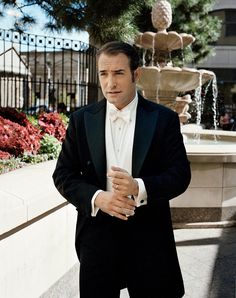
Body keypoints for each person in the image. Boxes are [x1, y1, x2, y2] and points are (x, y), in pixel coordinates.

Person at [53, 41, 191, 298]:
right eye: (103, 74)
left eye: (118, 73)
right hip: (97, 238)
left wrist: (139, 186)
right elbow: (63, 174)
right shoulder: (81, 120)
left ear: (135, 75)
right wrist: (98, 198)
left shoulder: (164, 119)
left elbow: (180, 175)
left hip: (149, 238)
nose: (110, 83)